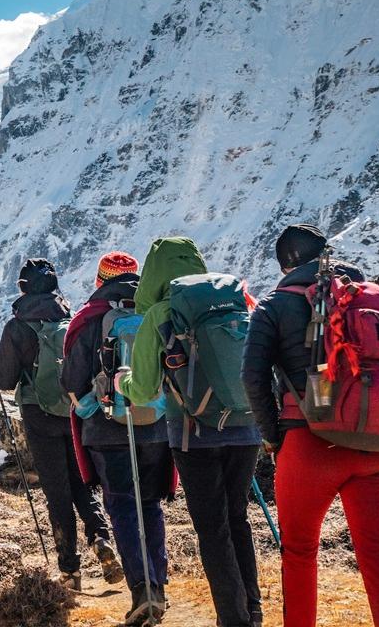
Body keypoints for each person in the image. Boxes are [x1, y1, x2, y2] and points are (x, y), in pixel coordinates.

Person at [242, 224, 379, 627]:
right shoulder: (371, 298)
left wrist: (274, 438)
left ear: (286, 264)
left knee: (299, 554)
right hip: (378, 441)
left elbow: (251, 378)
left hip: (308, 442)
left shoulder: (274, 305)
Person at [119, 237, 261, 627]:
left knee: (213, 528)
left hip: (193, 435)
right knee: (238, 519)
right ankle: (253, 609)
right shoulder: (234, 300)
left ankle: (233, 619)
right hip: (246, 427)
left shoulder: (161, 314)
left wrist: (122, 384)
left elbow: (145, 389)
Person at [0, 258, 117, 591]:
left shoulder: (17, 327)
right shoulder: (70, 319)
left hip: (37, 413)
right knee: (80, 482)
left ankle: (70, 570)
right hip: (72, 411)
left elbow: (6, 379)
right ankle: (100, 537)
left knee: (57, 491)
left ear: (24, 288)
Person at [60, 252, 169, 615]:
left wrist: (89, 404)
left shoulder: (88, 319)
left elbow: (71, 382)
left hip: (107, 431)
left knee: (122, 505)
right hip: (154, 426)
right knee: (149, 504)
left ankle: (142, 592)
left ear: (99, 280)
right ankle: (159, 586)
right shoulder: (154, 315)